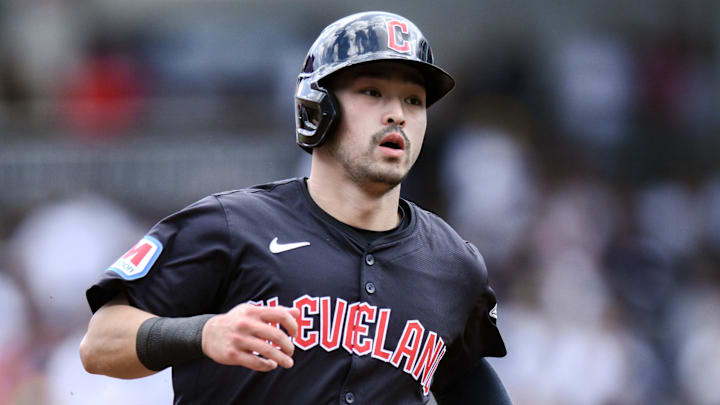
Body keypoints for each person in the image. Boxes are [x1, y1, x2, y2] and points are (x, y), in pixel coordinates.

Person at [79, 11, 511, 404]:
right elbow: (99, 344)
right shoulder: (230, 226)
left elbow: (465, 374)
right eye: (373, 92)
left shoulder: (453, 264)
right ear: (316, 107)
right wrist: (201, 333)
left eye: (413, 100)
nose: (396, 113)